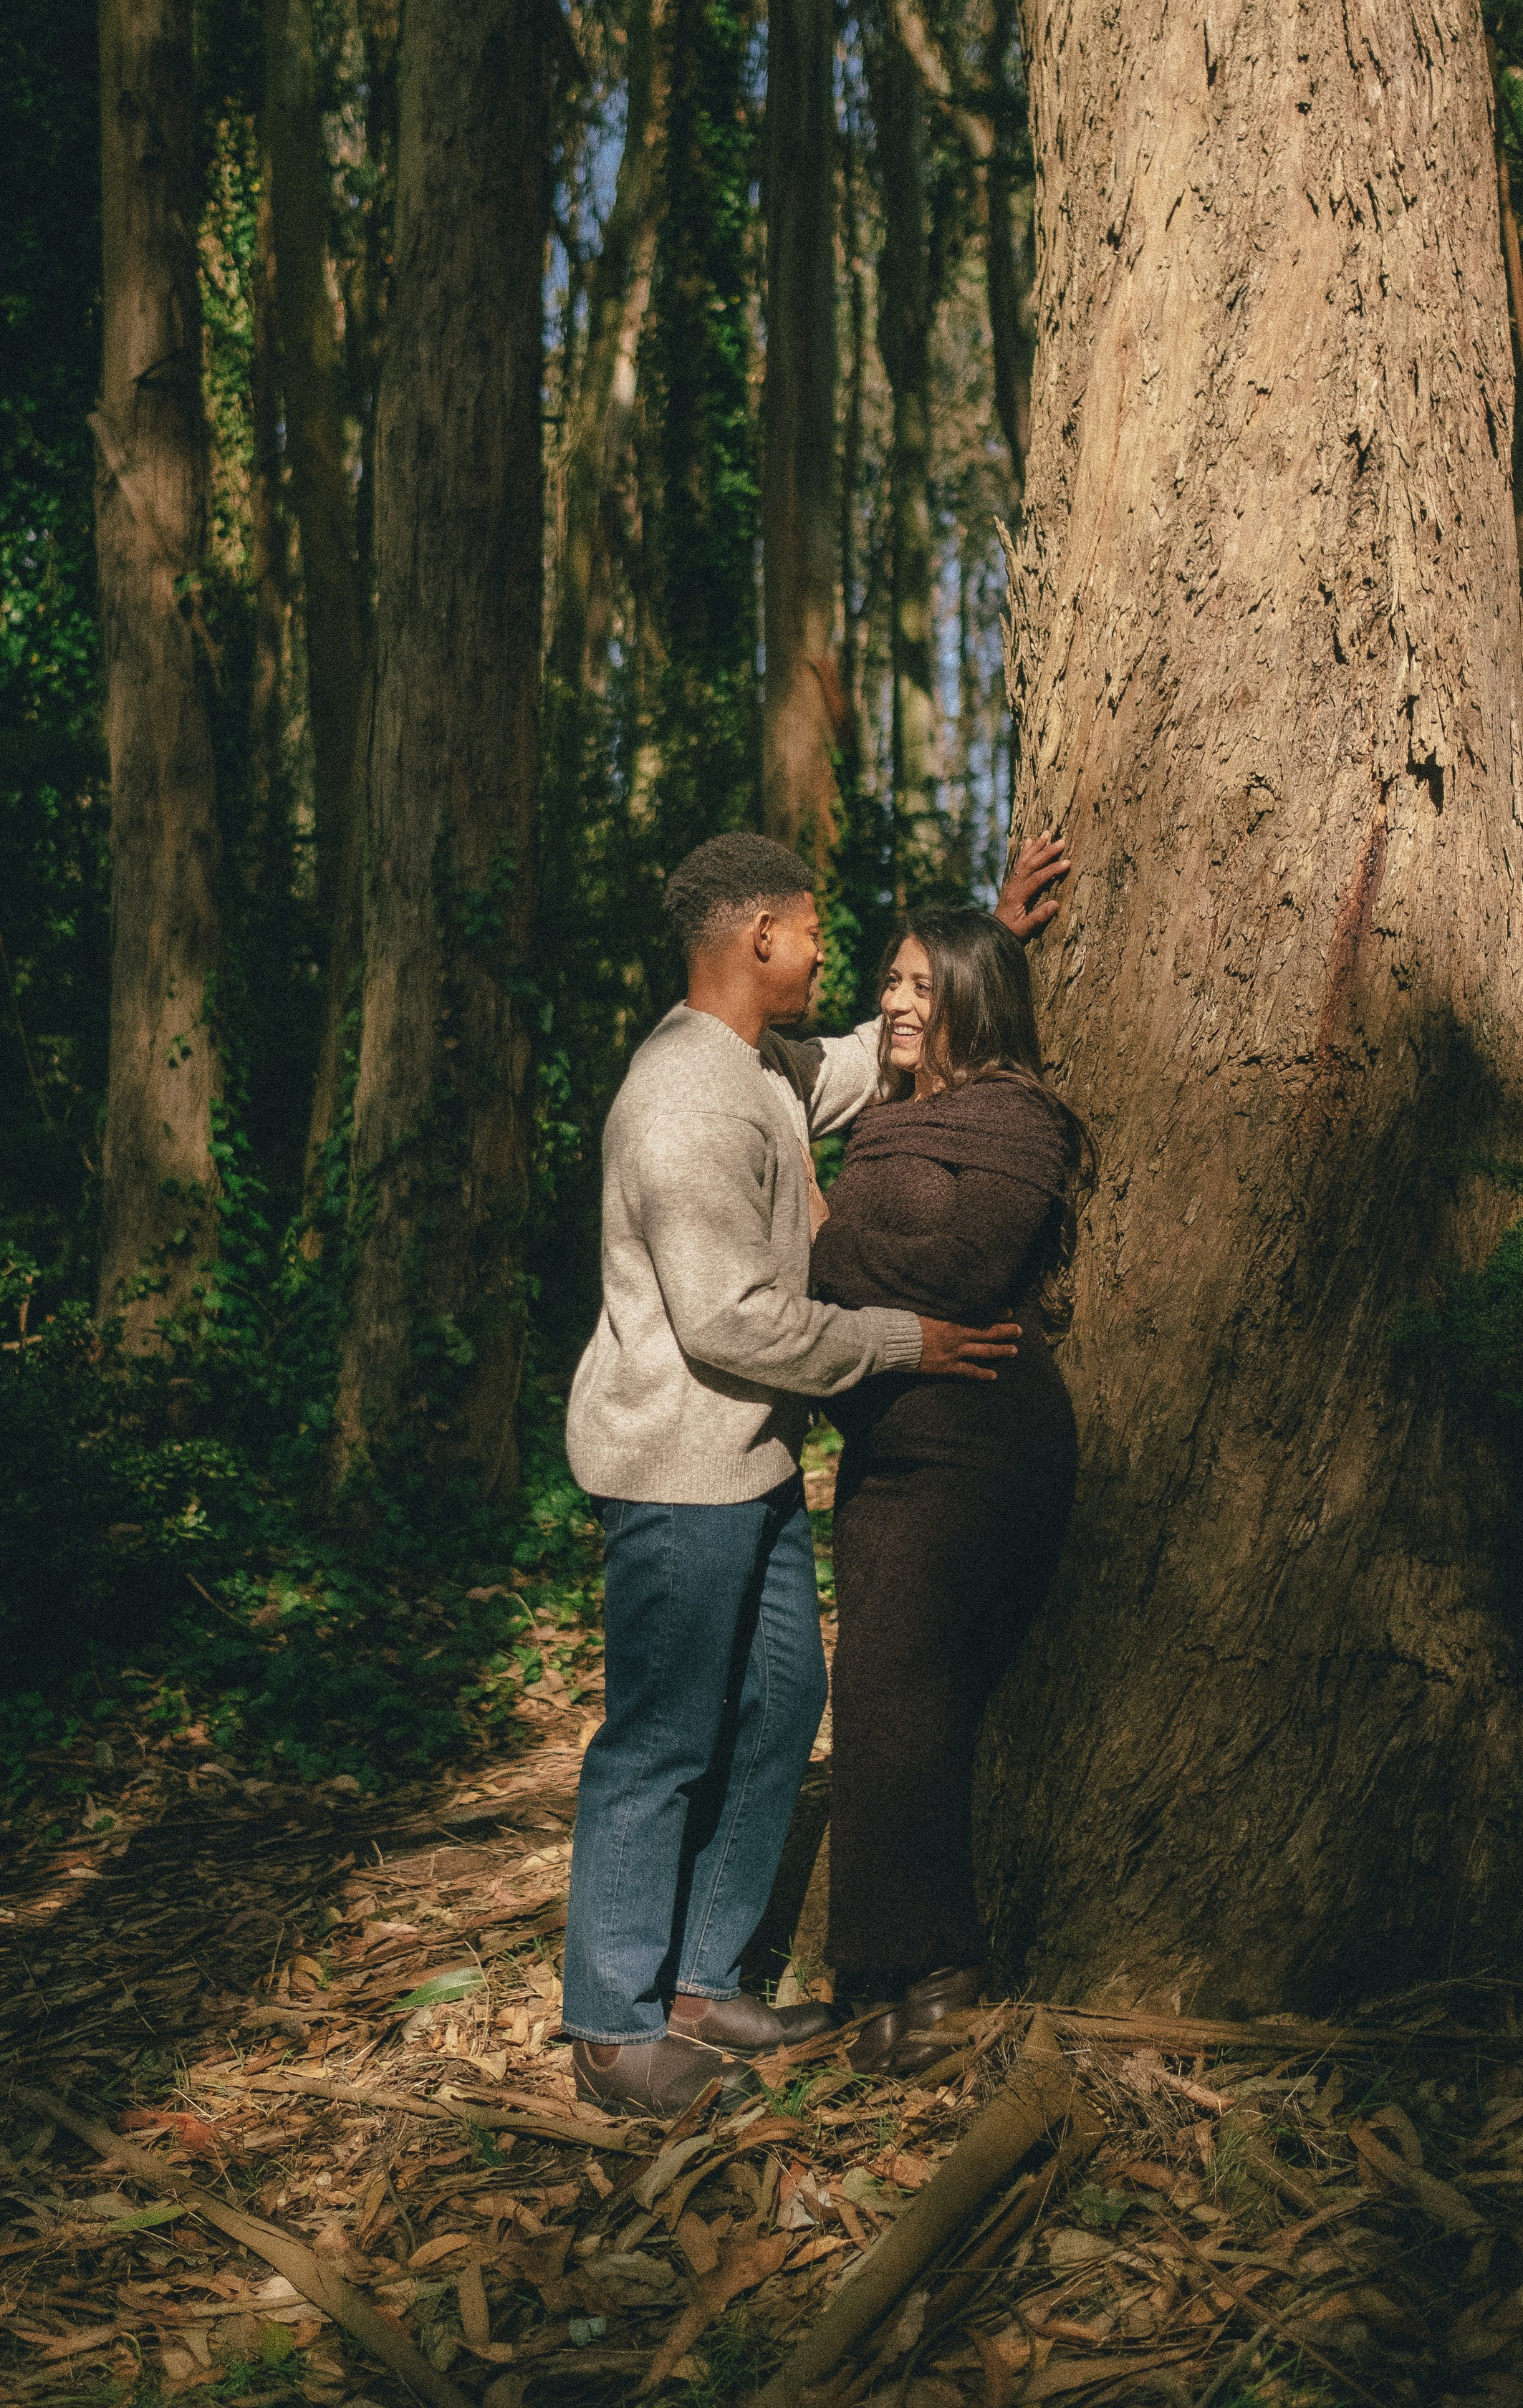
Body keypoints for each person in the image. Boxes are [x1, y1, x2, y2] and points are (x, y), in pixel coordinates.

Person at [559, 829, 1066, 2116]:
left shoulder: (761, 1065)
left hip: (757, 1459)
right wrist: (908, 1339)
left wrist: (992, 940)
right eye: (812, 928)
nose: (832, 952)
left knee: (781, 1709)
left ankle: (699, 1982)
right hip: (680, 1468)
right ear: (758, 942)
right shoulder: (683, 1100)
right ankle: (617, 2031)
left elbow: (864, 1057)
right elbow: (729, 1317)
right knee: (662, 1737)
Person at [809, 907, 1095, 2076]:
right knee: (880, 1695)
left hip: (984, 1438)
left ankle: (945, 1970)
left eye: (923, 985)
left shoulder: (1020, 1119)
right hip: (888, 1444)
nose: (894, 1001)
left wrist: (818, 1243)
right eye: (888, 982)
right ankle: (886, 1963)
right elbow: (892, 1280)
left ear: (976, 997)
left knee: (907, 1691)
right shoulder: (886, 1118)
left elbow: (969, 1271)